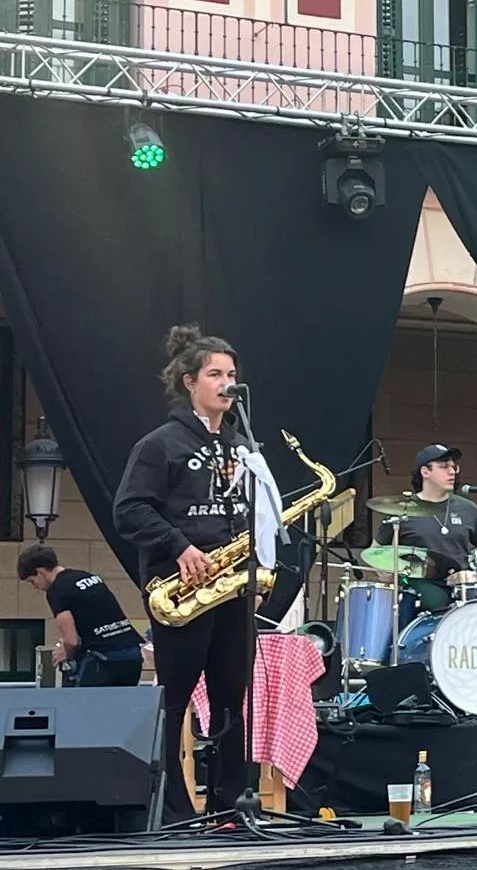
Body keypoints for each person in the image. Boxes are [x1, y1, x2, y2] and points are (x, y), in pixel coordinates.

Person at [112, 324, 252, 824]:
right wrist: (179, 546)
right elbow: (129, 509)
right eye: (215, 374)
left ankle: (231, 806)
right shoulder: (160, 444)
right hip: (184, 589)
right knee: (175, 702)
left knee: (231, 698)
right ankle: (172, 810)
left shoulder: (241, 446)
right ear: (189, 381)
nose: (227, 383)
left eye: (232, 374)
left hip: (232, 587)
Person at [374, 444, 477, 612]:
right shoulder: (401, 509)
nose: (452, 472)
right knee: (433, 600)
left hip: (464, 588)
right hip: (420, 587)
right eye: (444, 467)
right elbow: (375, 552)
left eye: (453, 467)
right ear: (425, 472)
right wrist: (385, 572)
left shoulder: (469, 509)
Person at [17, 545, 144, 687]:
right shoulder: (89, 577)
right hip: (132, 654)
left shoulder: (57, 590)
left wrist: (65, 652)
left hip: (103, 659)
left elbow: (71, 641)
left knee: (81, 706)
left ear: (40, 572)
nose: (34, 586)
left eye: (31, 581)